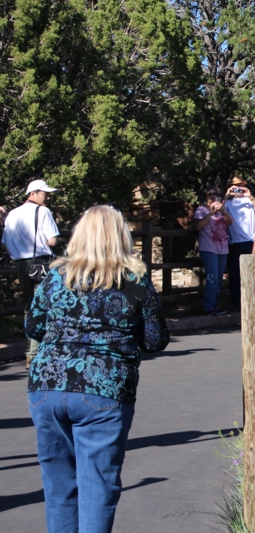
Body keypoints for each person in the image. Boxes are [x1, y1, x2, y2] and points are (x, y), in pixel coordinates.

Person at [26, 205, 170, 533]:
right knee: (97, 487)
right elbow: (154, 339)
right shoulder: (134, 282)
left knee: (59, 488)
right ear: (121, 237)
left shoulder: (55, 277)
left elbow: (33, 326)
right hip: (102, 388)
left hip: (47, 386)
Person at [1, 179, 60, 367]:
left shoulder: (13, 214)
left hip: (20, 264)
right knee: (44, 305)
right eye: (44, 193)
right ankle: (36, 353)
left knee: (29, 306)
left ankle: (31, 350)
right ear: (33, 193)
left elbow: (4, 242)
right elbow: (52, 241)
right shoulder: (43, 212)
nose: (47, 197)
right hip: (40, 263)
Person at [223, 175, 255, 311]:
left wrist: (250, 196)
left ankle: (254, 302)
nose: (238, 189)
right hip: (234, 243)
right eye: (235, 186)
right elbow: (217, 212)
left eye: (240, 186)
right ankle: (237, 305)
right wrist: (226, 196)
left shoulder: (250, 200)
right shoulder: (228, 203)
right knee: (235, 276)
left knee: (253, 275)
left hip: (251, 242)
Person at [193, 186, 232, 315]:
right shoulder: (201, 210)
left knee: (219, 278)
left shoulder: (221, 209)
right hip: (209, 248)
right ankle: (208, 306)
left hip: (222, 248)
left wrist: (223, 211)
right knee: (212, 277)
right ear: (205, 196)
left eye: (215, 194)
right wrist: (211, 213)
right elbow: (198, 225)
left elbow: (230, 222)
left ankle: (215, 305)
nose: (212, 196)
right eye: (209, 194)